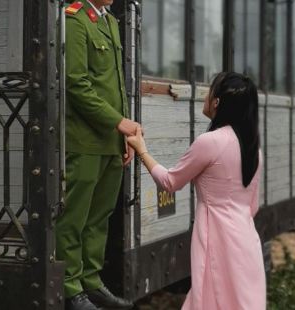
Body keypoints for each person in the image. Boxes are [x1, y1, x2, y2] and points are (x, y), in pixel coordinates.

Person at [127, 72, 266, 310]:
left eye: (209, 91)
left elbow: (170, 182)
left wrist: (142, 150)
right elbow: (252, 206)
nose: (206, 96)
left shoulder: (210, 142)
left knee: (210, 299)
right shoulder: (254, 150)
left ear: (217, 102)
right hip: (246, 240)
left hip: (217, 236)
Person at [57, 1, 137, 309]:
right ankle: (69, 286)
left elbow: (117, 84)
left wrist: (126, 134)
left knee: (99, 217)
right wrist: (119, 122)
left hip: (111, 140)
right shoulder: (75, 19)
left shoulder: (110, 22)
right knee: (74, 217)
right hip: (84, 139)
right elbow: (76, 84)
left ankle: (90, 281)